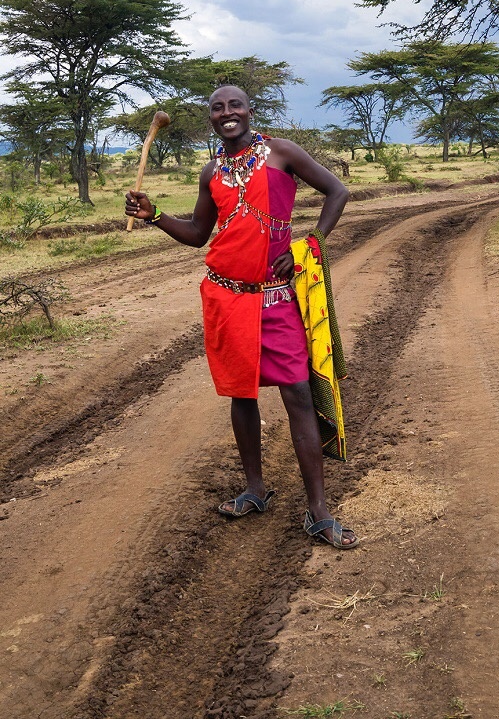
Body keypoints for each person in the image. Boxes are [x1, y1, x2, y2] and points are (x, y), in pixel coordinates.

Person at [125, 85, 359, 549]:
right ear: (210, 117)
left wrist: (310, 244)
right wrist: (154, 216)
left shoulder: (281, 153)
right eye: (217, 108)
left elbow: (338, 191)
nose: (227, 113)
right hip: (227, 296)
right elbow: (197, 234)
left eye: (235, 105)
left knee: (296, 391)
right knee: (241, 394)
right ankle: (255, 489)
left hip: (275, 297)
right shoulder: (211, 171)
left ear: (250, 111)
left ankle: (318, 511)